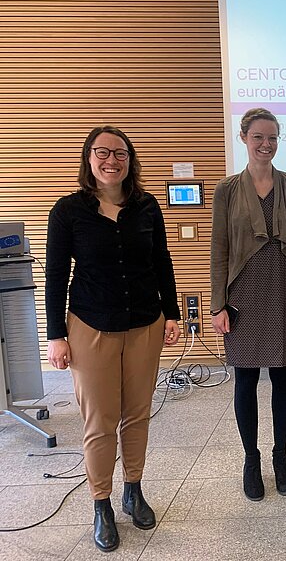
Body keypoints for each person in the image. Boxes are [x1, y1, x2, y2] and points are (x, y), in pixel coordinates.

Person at [45, 126, 181, 552]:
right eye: (102, 152)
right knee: (99, 421)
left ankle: (133, 489)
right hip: (90, 326)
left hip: (144, 324)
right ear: (88, 158)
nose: (111, 160)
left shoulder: (147, 206)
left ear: (130, 159)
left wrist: (172, 313)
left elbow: (162, 261)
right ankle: (101, 503)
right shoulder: (68, 210)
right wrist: (56, 335)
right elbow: (54, 276)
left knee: (137, 414)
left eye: (119, 153)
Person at [210, 107, 286, 502]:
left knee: (283, 377)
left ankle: (280, 456)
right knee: (247, 380)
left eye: (272, 138)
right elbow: (218, 249)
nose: (266, 144)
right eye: (258, 137)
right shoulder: (227, 190)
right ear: (244, 139)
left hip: (284, 290)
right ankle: (251, 459)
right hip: (242, 296)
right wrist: (218, 305)